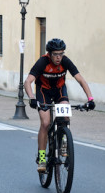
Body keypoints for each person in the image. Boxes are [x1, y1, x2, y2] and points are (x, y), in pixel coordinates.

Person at [24, 38, 95, 173]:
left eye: (61, 54)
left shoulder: (65, 61)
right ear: (49, 54)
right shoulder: (42, 62)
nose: (58, 57)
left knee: (65, 116)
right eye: (55, 54)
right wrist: (32, 98)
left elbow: (80, 79)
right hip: (43, 91)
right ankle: (42, 157)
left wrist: (90, 99)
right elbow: (28, 81)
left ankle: (63, 141)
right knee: (45, 123)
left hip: (59, 91)